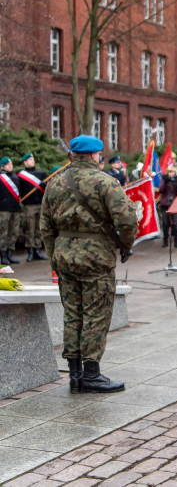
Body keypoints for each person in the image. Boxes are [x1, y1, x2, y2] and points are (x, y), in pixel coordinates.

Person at [41, 135, 137, 393]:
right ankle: (91, 373)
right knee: (96, 312)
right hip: (96, 258)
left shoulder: (55, 183)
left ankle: (75, 375)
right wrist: (126, 246)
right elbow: (127, 220)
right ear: (95, 156)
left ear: (72, 155)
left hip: (64, 257)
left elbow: (46, 226)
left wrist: (55, 258)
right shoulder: (106, 182)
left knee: (72, 313)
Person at [17, 153, 49, 262]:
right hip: (29, 205)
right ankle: (30, 251)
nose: (32, 161)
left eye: (33, 159)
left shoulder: (41, 173)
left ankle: (37, 250)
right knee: (30, 228)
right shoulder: (21, 176)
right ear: (25, 162)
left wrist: (44, 185)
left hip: (40, 204)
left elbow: (47, 187)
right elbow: (18, 190)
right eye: (30, 159)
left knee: (38, 229)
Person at [0, 157, 22, 265]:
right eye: (8, 164)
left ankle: (9, 254)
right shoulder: (1, 178)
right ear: (3, 166)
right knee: (3, 232)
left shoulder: (15, 177)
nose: (10, 166)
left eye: (11, 164)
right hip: (3, 209)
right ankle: (3, 255)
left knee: (14, 232)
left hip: (15, 209)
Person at [159, 166, 177, 248]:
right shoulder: (164, 179)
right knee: (166, 223)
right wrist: (165, 182)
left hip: (175, 203)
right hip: (165, 203)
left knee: (175, 223)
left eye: (173, 172)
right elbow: (160, 190)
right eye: (170, 172)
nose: (171, 174)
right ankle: (165, 240)